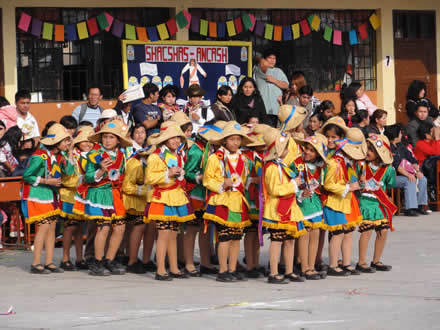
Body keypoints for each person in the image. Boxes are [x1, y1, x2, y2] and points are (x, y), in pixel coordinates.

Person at [73, 120, 132, 276]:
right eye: (105, 137)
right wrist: (100, 171)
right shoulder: (94, 154)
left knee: (120, 227)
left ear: (118, 140)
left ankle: (109, 260)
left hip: (115, 194)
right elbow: (88, 177)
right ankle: (97, 262)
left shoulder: (122, 155)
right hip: (99, 193)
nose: (107, 140)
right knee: (103, 227)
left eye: (111, 137)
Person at [144, 121, 195, 281]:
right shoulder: (155, 156)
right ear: (165, 140)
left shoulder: (178, 155)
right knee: (164, 233)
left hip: (176, 196)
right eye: (172, 138)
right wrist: (168, 173)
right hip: (162, 197)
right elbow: (149, 178)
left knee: (173, 233)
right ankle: (160, 269)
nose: (176, 141)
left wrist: (179, 174)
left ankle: (173, 267)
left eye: (178, 138)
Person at [203, 121, 253, 282]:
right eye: (232, 139)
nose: (235, 143)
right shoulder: (215, 158)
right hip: (222, 201)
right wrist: (221, 185)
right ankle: (222, 270)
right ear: (225, 140)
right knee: (224, 236)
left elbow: (243, 180)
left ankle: (232, 268)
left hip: (237, 201)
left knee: (236, 236)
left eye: (238, 139)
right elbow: (207, 179)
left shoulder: (243, 158)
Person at [22, 123, 73, 274]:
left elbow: (69, 171)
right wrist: (46, 181)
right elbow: (27, 176)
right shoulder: (39, 156)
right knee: (44, 227)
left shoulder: (59, 156)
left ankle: (49, 262)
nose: (67, 143)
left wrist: (70, 152)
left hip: (51, 195)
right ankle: (36, 263)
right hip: (38, 195)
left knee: (52, 228)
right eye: (65, 141)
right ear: (56, 142)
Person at [262, 128, 306, 284]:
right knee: (277, 240)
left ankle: (289, 270)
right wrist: (294, 184)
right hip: (277, 209)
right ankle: (273, 272)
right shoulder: (271, 168)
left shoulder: (281, 166)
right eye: (285, 147)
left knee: (289, 240)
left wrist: (299, 190)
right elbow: (275, 190)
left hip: (288, 207)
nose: (287, 151)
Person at [321, 119, 365, 276]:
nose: (331, 140)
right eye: (329, 137)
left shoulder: (349, 162)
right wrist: (347, 187)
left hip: (347, 200)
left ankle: (346, 262)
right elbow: (328, 184)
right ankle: (333, 264)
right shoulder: (334, 162)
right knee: (338, 233)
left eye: (334, 137)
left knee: (348, 232)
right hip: (335, 201)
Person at [183, 122, 226, 276]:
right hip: (196, 194)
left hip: (207, 194)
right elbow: (187, 173)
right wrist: (199, 177)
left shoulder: (212, 150)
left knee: (205, 229)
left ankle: (205, 262)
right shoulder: (196, 151)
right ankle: (188, 263)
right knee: (193, 229)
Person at [357, 134, 396, 273]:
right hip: (366, 202)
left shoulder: (387, 169)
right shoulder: (361, 165)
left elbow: (391, 184)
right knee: (367, 231)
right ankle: (361, 262)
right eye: (367, 148)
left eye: (371, 150)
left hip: (379, 203)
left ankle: (376, 260)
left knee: (383, 231)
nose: (367, 152)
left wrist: (392, 171)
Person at [59, 126, 95, 271]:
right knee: (69, 228)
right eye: (85, 141)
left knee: (80, 229)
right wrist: (83, 181)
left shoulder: (92, 155)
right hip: (69, 195)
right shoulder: (71, 155)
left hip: (82, 196)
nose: (88, 144)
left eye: (90, 141)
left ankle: (80, 258)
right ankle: (65, 258)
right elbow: (66, 178)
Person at [295, 134, 328, 280]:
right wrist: (300, 193)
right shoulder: (297, 164)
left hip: (314, 203)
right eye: (306, 149)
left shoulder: (321, 168)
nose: (307, 152)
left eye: (311, 150)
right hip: (302, 202)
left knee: (315, 234)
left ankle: (311, 266)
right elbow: (292, 182)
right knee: (304, 235)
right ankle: (304, 267)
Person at [122, 141, 156, 274]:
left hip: (148, 200)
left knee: (151, 227)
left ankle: (146, 260)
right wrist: (145, 190)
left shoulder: (153, 163)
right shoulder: (135, 164)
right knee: (139, 227)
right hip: (134, 201)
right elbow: (127, 186)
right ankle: (132, 261)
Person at [385, 124, 428, 217]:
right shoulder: (388, 147)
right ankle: (410, 208)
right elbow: (396, 165)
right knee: (409, 180)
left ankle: (420, 205)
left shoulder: (400, 146)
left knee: (422, 179)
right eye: (400, 133)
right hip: (393, 176)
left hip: (405, 173)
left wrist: (417, 171)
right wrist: (408, 174)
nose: (402, 135)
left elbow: (412, 159)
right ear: (395, 135)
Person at [241, 131, 266, 278]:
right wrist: (253, 180)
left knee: (258, 232)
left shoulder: (265, 157)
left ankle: (255, 262)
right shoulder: (247, 158)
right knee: (250, 232)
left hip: (261, 198)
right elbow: (241, 177)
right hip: (251, 198)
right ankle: (249, 264)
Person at [254, 49, 289, 127]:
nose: (272, 60)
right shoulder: (259, 70)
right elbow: (263, 65)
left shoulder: (278, 71)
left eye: (274, 58)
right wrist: (261, 59)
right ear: (265, 59)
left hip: (275, 109)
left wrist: (274, 80)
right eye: (270, 58)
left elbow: (286, 85)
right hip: (263, 110)